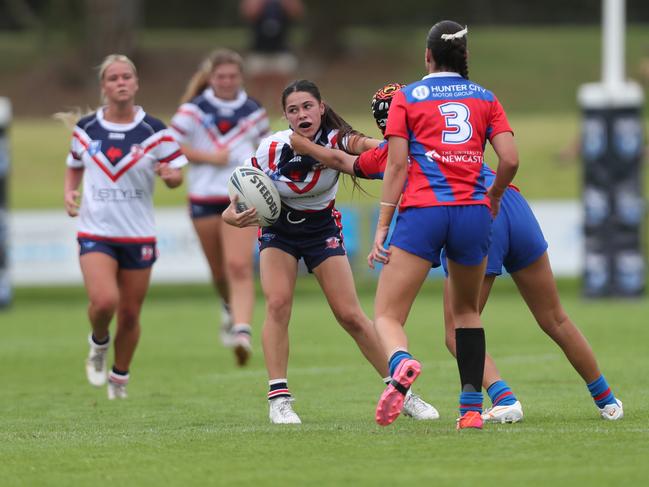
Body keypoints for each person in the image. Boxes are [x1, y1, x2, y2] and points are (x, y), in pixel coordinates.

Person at [293, 82, 624, 424]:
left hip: (476, 212)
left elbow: (341, 160)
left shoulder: (396, 152)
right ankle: (607, 400)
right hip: (511, 200)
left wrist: (302, 144)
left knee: (458, 330)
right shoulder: (451, 132)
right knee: (555, 317)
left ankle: (502, 397)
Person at [223, 79, 439, 424]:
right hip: (278, 230)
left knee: (350, 315)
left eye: (308, 106)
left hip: (320, 228)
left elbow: (362, 147)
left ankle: (403, 394)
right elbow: (232, 202)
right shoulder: (271, 148)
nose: (302, 114)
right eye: (293, 110)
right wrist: (232, 218)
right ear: (286, 116)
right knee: (277, 304)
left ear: (321, 108)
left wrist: (395, 140)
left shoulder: (336, 138)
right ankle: (279, 399)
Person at [367, 21, 519, 430]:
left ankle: (401, 362)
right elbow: (509, 160)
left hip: (424, 211)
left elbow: (397, 165)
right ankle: (470, 410)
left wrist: (383, 224)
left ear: (427, 57)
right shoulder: (485, 97)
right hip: (472, 211)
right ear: (465, 57)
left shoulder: (408, 96)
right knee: (467, 313)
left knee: (387, 315)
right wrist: (496, 194)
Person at [61, 54, 187, 400]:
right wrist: (69, 191)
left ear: (136, 83)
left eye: (126, 76)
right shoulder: (86, 128)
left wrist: (170, 175)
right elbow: (74, 164)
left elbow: (176, 176)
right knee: (104, 302)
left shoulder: (155, 130)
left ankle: (119, 377)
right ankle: (99, 341)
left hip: (138, 234)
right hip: (96, 231)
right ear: (104, 86)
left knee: (130, 314)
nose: (120, 82)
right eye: (113, 77)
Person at [170, 49, 269, 366]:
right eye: (220, 76)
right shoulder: (193, 110)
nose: (226, 82)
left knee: (238, 266)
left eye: (232, 76)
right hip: (202, 197)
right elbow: (170, 146)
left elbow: (265, 151)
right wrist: (210, 157)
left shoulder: (254, 111)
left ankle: (242, 331)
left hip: (241, 196)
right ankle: (228, 308)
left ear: (240, 77)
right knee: (218, 271)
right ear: (210, 78)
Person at [240, 0, 304, 114]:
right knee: (257, 87)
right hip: (259, 49)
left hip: (281, 49)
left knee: (282, 88)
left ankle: (282, 116)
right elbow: (249, 12)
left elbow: (297, 12)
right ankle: (255, 115)